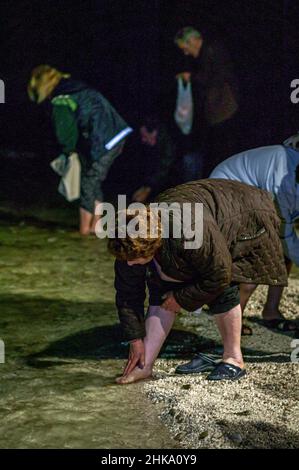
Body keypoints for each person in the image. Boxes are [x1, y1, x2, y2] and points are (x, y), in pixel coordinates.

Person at [108, 179, 288, 383]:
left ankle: (233, 359)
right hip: (202, 215)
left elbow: (219, 275)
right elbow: (128, 293)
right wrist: (135, 339)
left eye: (135, 259)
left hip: (250, 213)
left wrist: (181, 299)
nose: (129, 264)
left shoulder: (190, 231)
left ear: (153, 246)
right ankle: (145, 366)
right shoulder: (128, 238)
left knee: (223, 288)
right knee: (162, 288)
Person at [27, 65, 132, 235]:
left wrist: (68, 151)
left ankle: (83, 231)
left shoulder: (60, 98)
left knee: (88, 182)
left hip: (104, 139)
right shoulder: (74, 86)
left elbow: (65, 131)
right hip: (117, 134)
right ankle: (95, 227)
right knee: (94, 180)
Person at [210, 138, 299, 334]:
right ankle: (234, 320)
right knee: (257, 258)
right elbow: (285, 234)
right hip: (227, 192)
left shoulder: (292, 175)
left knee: (283, 254)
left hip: (255, 197)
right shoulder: (284, 185)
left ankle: (271, 310)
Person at [174, 26, 241, 176]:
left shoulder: (212, 50)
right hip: (217, 112)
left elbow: (217, 77)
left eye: (185, 48)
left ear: (192, 41)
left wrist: (191, 77)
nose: (185, 52)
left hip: (225, 109)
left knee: (224, 150)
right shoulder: (204, 55)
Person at [131, 117, 176, 203]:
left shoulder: (169, 143)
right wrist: (143, 186)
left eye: (144, 136)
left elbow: (166, 167)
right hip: (159, 181)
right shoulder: (148, 146)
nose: (143, 139)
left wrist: (148, 188)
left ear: (154, 133)